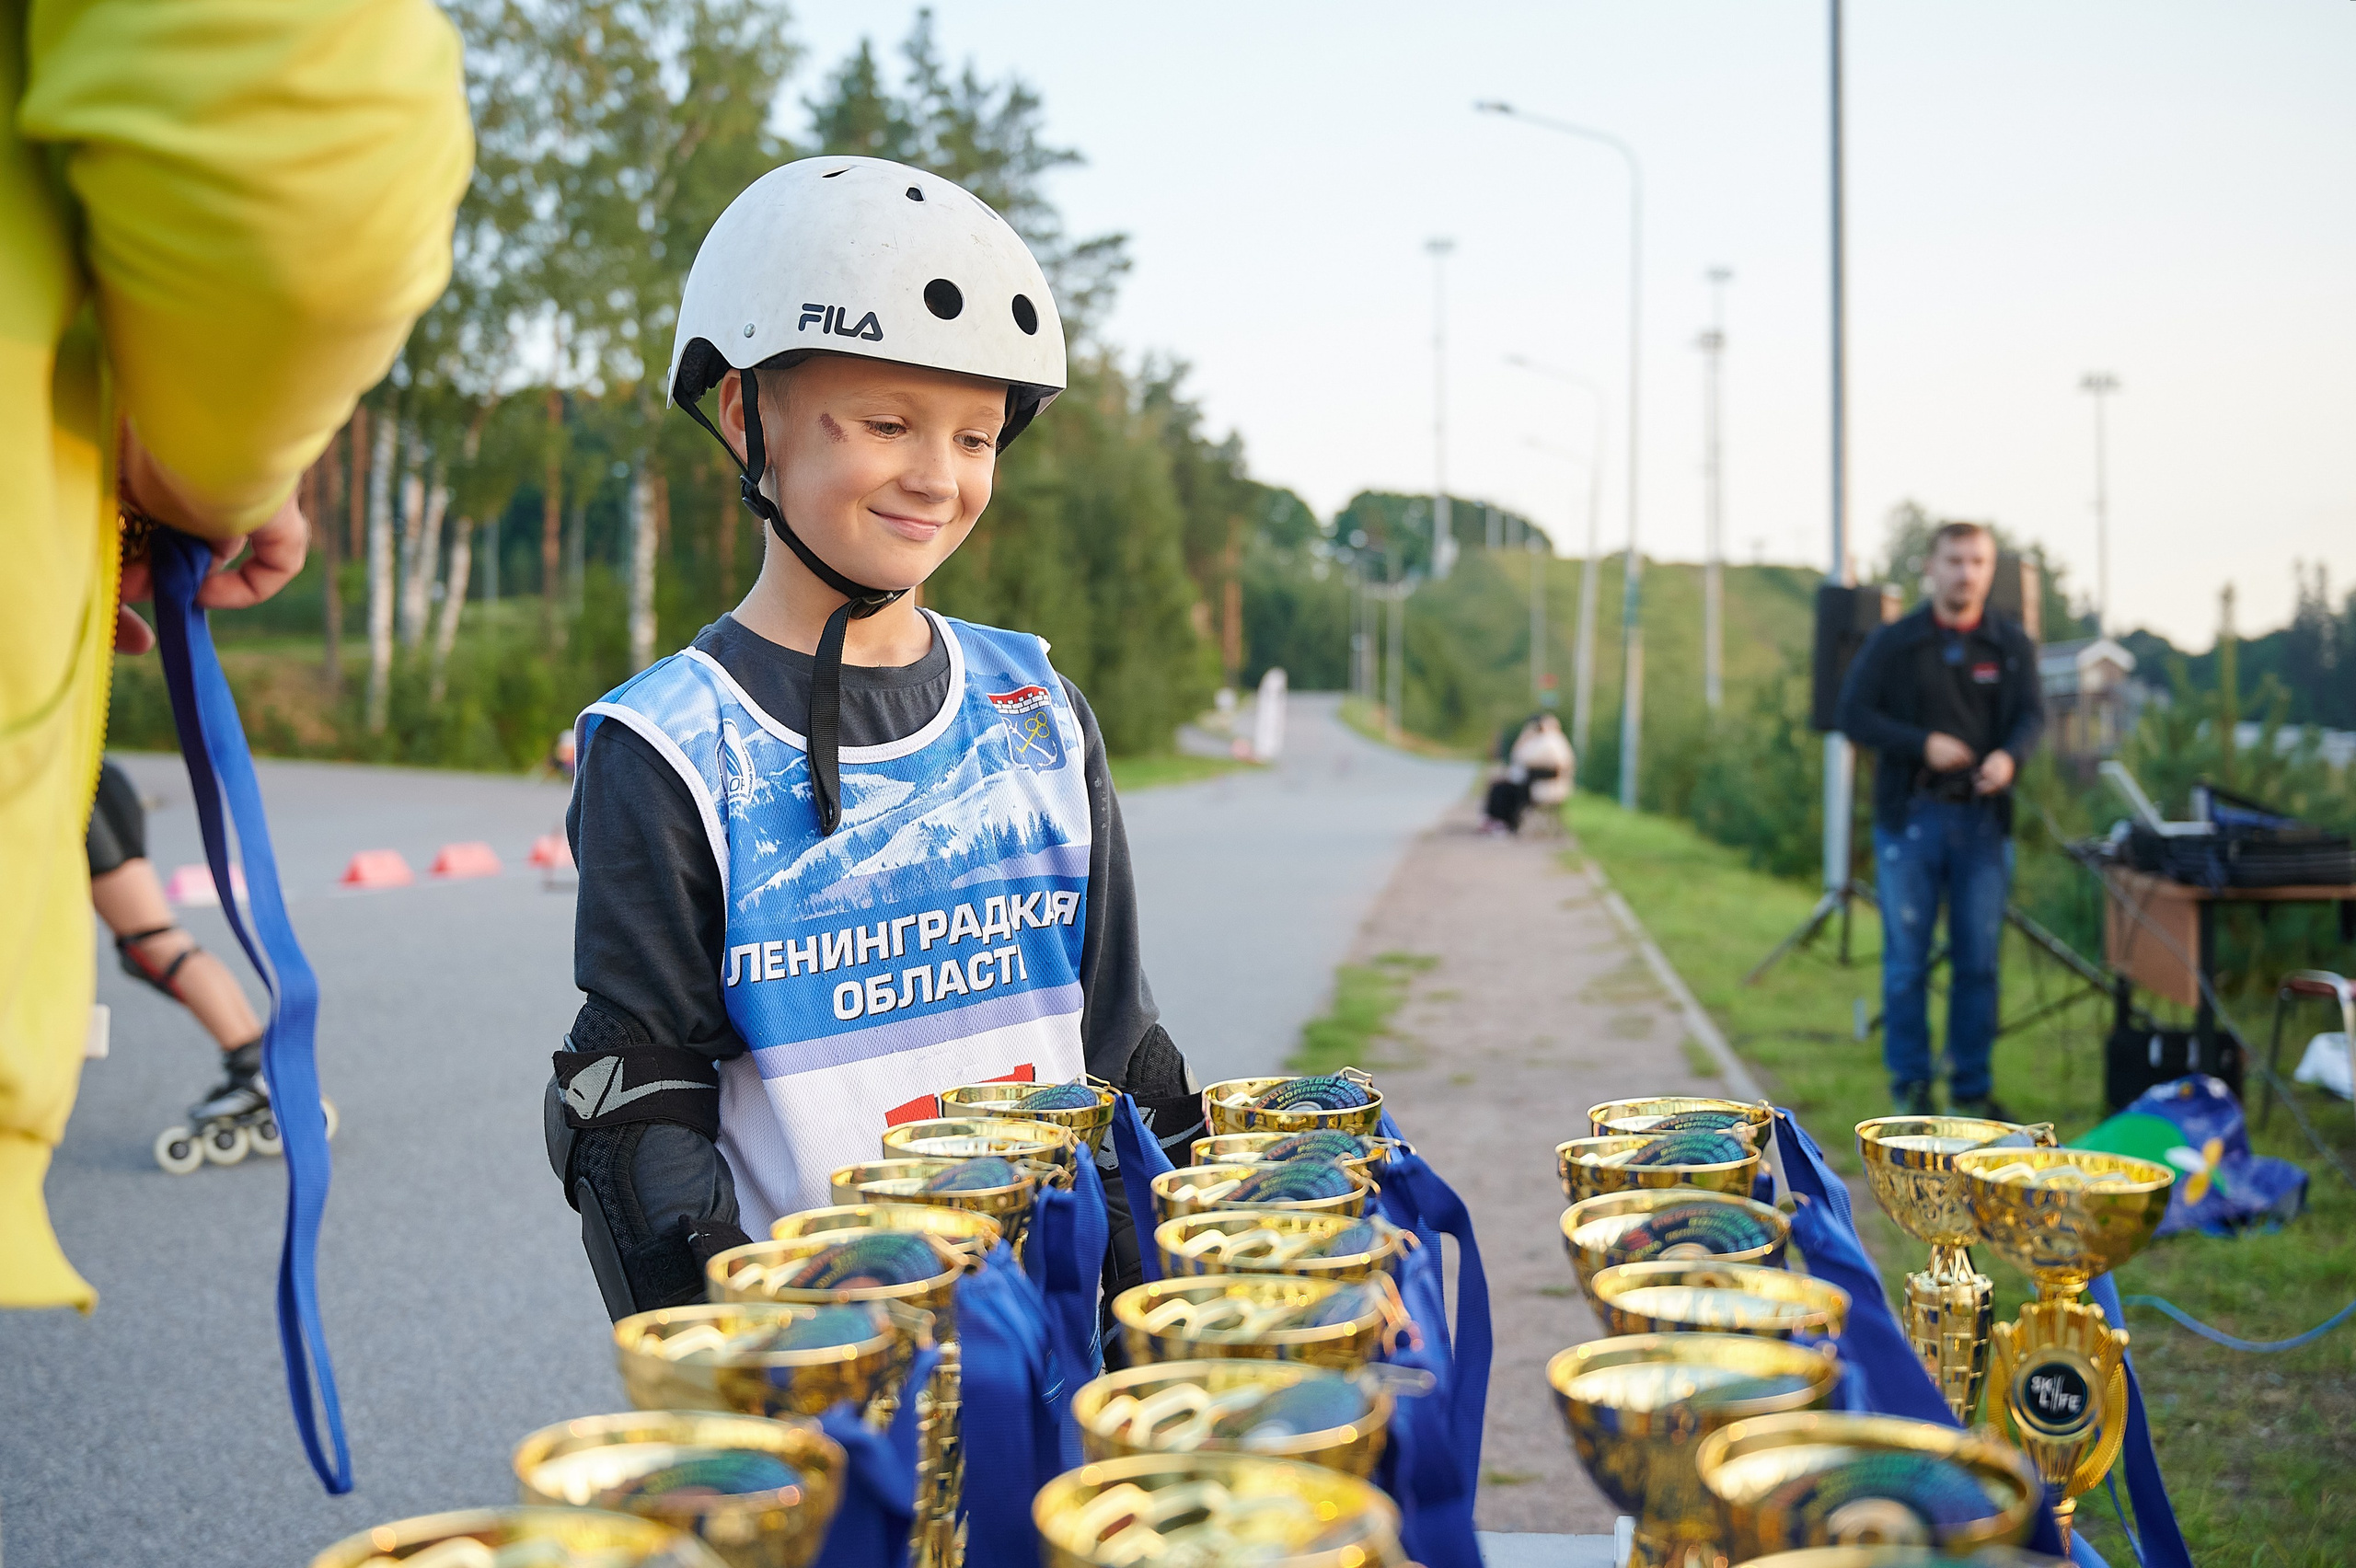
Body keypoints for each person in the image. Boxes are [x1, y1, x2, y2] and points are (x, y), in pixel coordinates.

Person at [547, 156, 1206, 1320]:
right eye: (889, 423)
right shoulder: (666, 748)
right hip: (831, 1363)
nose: (937, 480)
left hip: (1063, 1331)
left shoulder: (1036, 705)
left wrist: (1203, 1276)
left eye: (976, 439)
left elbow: (1119, 1046)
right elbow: (637, 1116)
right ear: (749, 414)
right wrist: (749, 1362)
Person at [0, 0, 472, 1309]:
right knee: (133, 912)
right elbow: (294, 154)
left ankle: (261, 1061)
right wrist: (207, 457)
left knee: (137, 919)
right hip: (68, 716)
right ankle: (262, 1058)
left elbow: (292, 125)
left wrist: (192, 464)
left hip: (77, 739)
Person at [1837, 521, 2045, 1117]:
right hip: (1911, 820)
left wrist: (2010, 757)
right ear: (1930, 567)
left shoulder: (2010, 644)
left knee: (1978, 962)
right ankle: (1911, 1086)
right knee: (1906, 961)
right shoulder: (1895, 642)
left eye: (1977, 561)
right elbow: (1852, 715)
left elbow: (2031, 717)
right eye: (1954, 560)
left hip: (1983, 822)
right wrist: (1920, 742)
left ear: (1989, 568)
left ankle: (1971, 1088)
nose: (1965, 572)